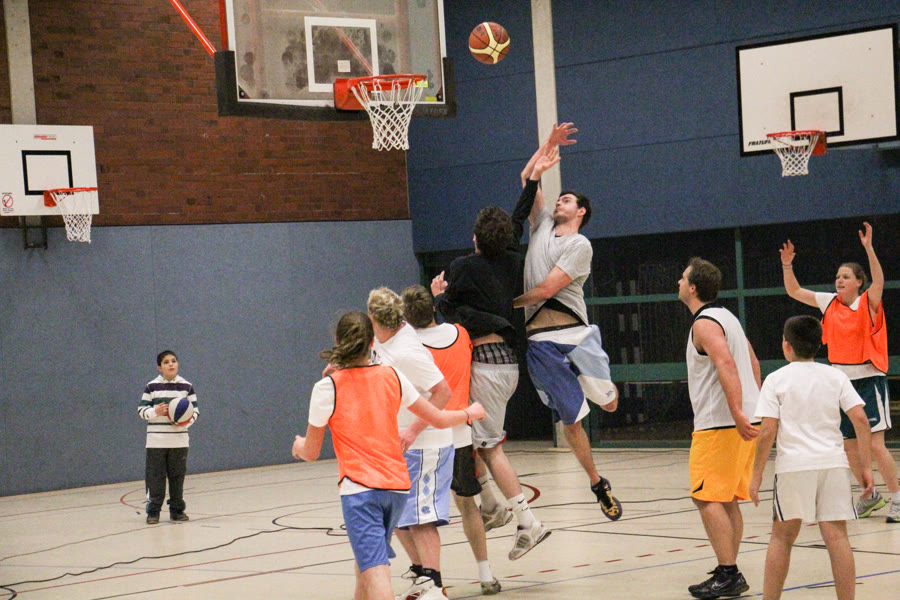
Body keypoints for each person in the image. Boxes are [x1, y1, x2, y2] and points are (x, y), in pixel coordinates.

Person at [292, 311, 485, 600]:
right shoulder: (391, 376)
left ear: (338, 341)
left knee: (377, 572)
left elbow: (311, 452)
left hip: (361, 491)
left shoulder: (327, 388)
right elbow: (438, 418)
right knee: (366, 566)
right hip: (396, 489)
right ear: (372, 341)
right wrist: (469, 412)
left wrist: (298, 445)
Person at [511, 123, 622, 520]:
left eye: (568, 199)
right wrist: (547, 146)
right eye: (558, 198)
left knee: (609, 404)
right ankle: (597, 482)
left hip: (576, 336)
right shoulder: (540, 224)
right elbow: (527, 178)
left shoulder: (579, 244)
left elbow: (545, 290)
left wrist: (506, 304)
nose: (559, 201)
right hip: (541, 342)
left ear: (581, 212)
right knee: (572, 421)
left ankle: (601, 386)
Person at [430, 205, 548, 561]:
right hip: (506, 361)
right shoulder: (513, 262)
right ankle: (492, 506)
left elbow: (450, 312)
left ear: (476, 238)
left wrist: (438, 296)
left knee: (491, 448)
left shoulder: (463, 267)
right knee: (473, 441)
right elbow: (515, 224)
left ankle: (528, 522)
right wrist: (531, 185)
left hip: (486, 363)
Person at [780, 222, 898, 523]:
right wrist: (787, 265)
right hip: (841, 382)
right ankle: (870, 496)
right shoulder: (828, 302)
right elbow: (794, 290)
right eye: (837, 277)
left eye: (845, 276)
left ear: (859, 282)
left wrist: (869, 248)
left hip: (868, 378)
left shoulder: (868, 302)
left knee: (875, 444)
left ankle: (898, 497)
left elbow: (880, 280)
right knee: (848, 446)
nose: (839, 280)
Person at [750, 315, 874, 600]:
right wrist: (866, 467)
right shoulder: (836, 376)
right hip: (833, 465)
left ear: (786, 345)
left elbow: (767, 431)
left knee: (782, 537)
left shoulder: (776, 379)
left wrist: (755, 477)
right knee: (838, 537)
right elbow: (861, 420)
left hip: (793, 467)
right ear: (819, 344)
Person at [402, 285, 500, 594]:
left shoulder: (409, 346)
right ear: (432, 307)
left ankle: (427, 577)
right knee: (467, 505)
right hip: (461, 431)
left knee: (417, 517)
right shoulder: (460, 334)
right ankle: (486, 574)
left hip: (430, 434)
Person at [678, 257, 761, 599]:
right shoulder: (728, 317)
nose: (678, 283)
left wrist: (737, 410)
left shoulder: (704, 323)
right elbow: (752, 362)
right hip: (742, 419)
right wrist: (754, 406)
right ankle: (729, 569)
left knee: (705, 496)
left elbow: (726, 362)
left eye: (682, 278)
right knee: (727, 500)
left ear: (693, 287)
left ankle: (728, 572)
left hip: (720, 424)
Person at [366, 287, 454, 600]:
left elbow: (443, 392)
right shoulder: (379, 341)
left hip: (424, 444)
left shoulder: (408, 350)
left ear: (373, 317)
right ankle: (421, 574)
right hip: (395, 444)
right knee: (396, 516)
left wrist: (414, 429)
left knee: (420, 518)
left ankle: (435, 586)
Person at [137, 350, 198, 525]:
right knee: (155, 477)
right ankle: (153, 512)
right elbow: (141, 411)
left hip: (179, 441)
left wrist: (184, 423)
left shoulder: (187, 386)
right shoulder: (151, 387)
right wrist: (155, 412)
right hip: (156, 442)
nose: (171, 364)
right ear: (159, 367)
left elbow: (195, 411)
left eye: (173, 361)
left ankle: (177, 511)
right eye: (166, 362)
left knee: (177, 477)